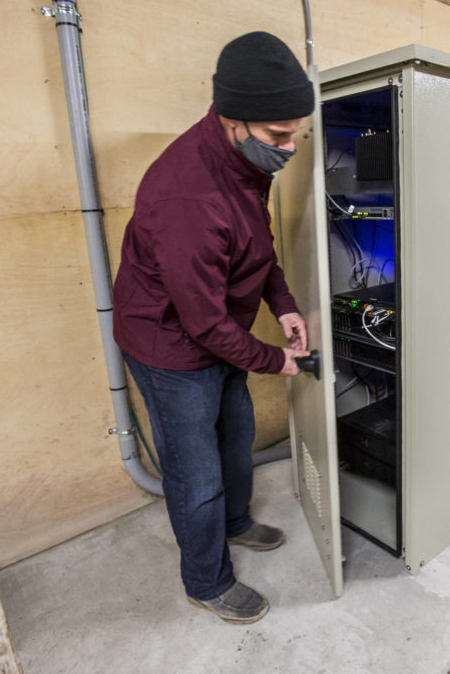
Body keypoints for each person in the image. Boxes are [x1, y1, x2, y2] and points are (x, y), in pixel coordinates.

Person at [112, 31, 313, 625]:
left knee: (235, 433)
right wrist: (275, 360)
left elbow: (258, 254)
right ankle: (206, 580)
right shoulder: (187, 196)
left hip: (220, 333)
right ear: (233, 119)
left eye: (297, 132)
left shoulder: (243, 164)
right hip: (171, 347)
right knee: (194, 470)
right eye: (281, 136)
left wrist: (287, 308)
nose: (292, 147)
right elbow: (200, 322)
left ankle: (235, 523)